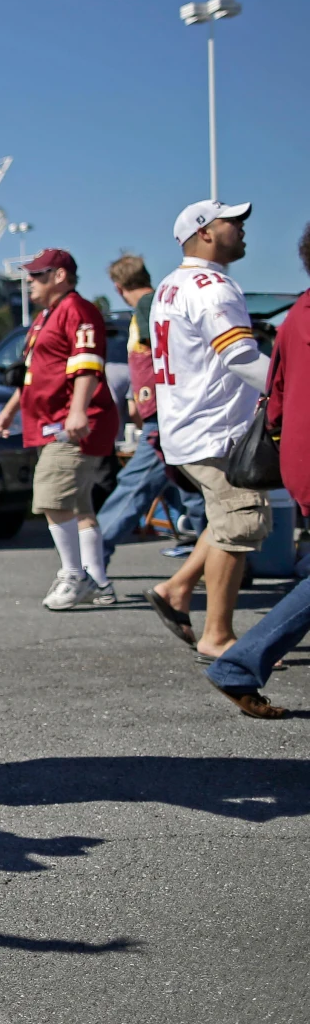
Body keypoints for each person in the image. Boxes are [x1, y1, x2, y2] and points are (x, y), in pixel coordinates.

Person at [143, 201, 272, 663]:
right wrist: (290, 388)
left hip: (185, 424)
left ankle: (177, 590)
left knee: (224, 520)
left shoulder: (170, 285)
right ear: (204, 233)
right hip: (217, 431)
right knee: (241, 525)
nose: (240, 228)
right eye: (231, 222)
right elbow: (238, 357)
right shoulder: (213, 287)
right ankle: (218, 637)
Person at [203, 221, 310, 718]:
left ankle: (240, 666)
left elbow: (278, 398)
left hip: (299, 459)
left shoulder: (295, 316)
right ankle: (239, 664)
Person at [0, 249, 120, 609]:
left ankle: (75, 576)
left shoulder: (77, 310)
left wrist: (78, 410)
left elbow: (88, 365)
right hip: (51, 422)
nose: (30, 281)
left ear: (60, 275)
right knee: (78, 504)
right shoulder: (46, 316)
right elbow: (33, 373)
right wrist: (9, 410)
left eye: (38, 274)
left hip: (70, 423)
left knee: (51, 496)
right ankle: (99, 580)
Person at [95, 254, 207, 567]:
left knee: (134, 486)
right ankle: (227, 561)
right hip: (175, 413)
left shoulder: (147, 307)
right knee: (192, 492)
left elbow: (160, 352)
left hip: (163, 417)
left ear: (118, 288)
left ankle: (90, 562)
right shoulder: (160, 302)